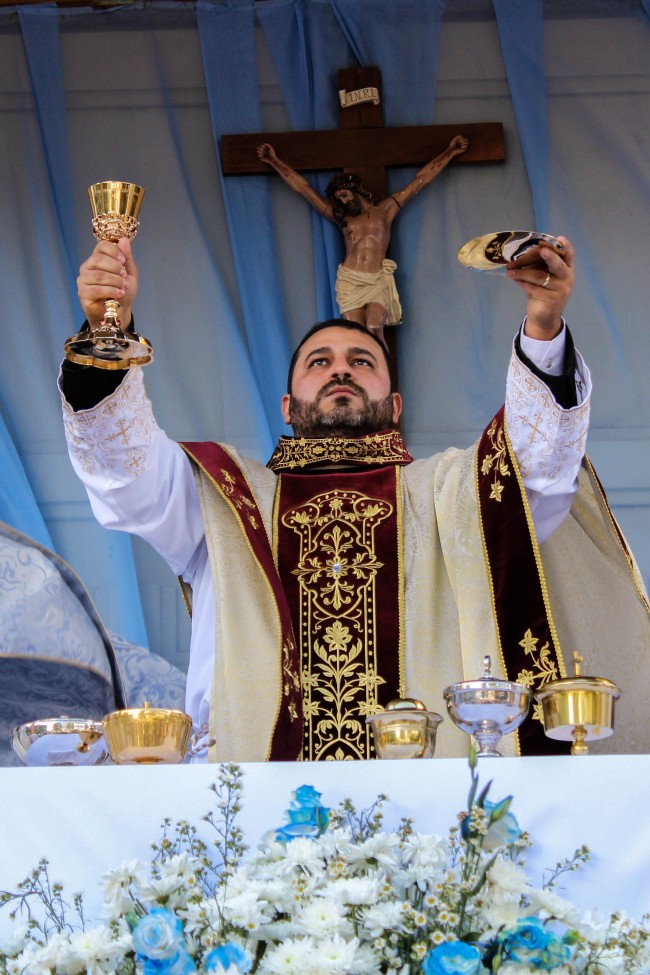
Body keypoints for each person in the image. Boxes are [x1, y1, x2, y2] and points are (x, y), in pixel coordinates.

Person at [59, 235, 650, 762]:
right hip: (254, 790)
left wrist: (544, 328)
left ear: (395, 405)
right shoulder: (228, 499)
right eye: (319, 363)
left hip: (429, 795)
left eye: (361, 362)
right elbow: (121, 468)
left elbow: (536, 471)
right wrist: (107, 332)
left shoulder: (450, 494)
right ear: (287, 407)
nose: (340, 372)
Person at [256, 136, 469, 336]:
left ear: (356, 189)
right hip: (350, 280)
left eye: (344, 194)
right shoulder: (343, 219)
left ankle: (383, 365)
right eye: (338, 198)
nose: (343, 201)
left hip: (376, 280)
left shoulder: (386, 210)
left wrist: (450, 152)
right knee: (357, 335)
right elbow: (304, 189)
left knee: (374, 326)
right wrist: (274, 161)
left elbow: (420, 180)